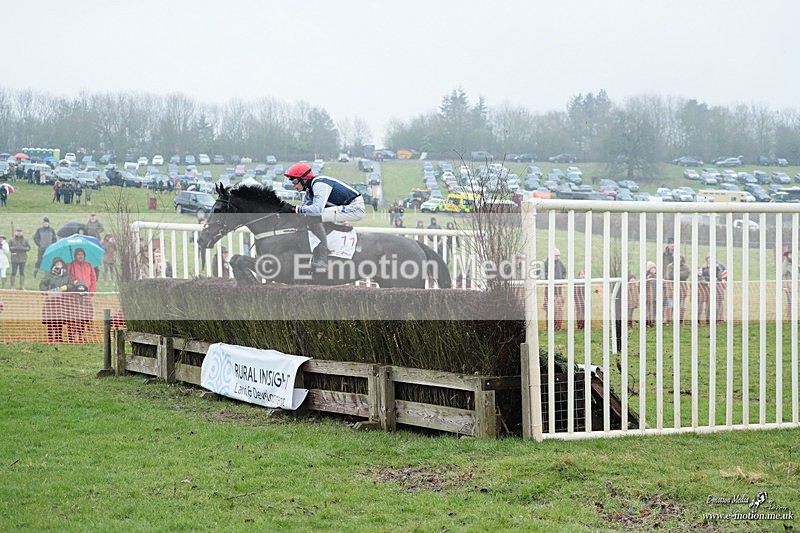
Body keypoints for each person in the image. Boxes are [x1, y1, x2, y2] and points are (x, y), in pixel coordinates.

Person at [282, 162, 366, 270]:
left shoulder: (319, 184)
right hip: (343, 207)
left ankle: (322, 259)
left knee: (314, 216)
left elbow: (316, 210)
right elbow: (303, 210)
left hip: (355, 207)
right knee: (308, 216)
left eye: (294, 181)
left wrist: (294, 208)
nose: (293, 184)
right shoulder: (309, 190)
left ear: (304, 179)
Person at [39, 257, 74, 343]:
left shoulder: (66, 275)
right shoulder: (49, 274)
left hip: (61, 301)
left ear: (63, 265)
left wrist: (67, 287)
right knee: (50, 319)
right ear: (54, 265)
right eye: (57, 263)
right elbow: (42, 284)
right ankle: (50, 337)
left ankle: (59, 336)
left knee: (60, 319)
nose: (59, 265)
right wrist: (47, 291)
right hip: (50, 300)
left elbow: (71, 286)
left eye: (60, 263)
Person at [543, 248, 567, 331]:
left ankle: (557, 328)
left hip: (559, 290)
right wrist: (549, 278)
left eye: (559, 255)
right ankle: (550, 328)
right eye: (557, 255)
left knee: (559, 309)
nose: (558, 257)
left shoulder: (560, 264)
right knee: (549, 309)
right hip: (549, 291)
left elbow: (564, 272)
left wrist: (562, 278)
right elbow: (543, 273)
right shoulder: (546, 263)